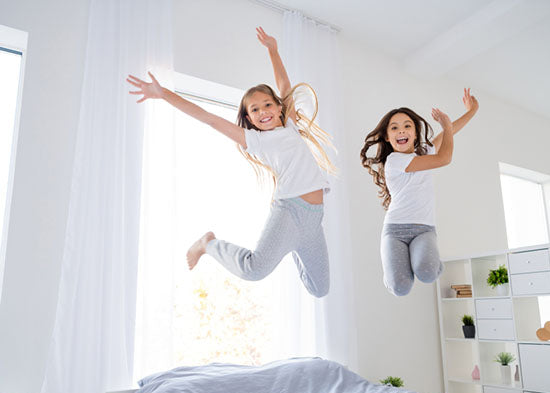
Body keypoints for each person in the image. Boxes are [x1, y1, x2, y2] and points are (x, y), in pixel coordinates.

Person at [126, 27, 335, 298]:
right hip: (290, 211)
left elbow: (285, 86)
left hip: (314, 219)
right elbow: (208, 118)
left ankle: (291, 245)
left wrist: (273, 50)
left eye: (268, 105)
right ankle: (208, 244)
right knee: (253, 270)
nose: (263, 112)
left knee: (320, 290)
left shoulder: (291, 126)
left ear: (280, 107)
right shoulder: (256, 141)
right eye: (255, 110)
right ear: (249, 119)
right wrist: (164, 93)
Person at [360, 89, 479, 296]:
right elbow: (444, 158)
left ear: (415, 133)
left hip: (424, 230)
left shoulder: (423, 151)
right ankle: (392, 276)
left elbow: (451, 132)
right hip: (394, 231)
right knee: (400, 288)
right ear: (388, 137)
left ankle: (432, 264)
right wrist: (447, 127)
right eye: (394, 128)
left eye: (407, 126)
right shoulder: (394, 161)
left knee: (427, 273)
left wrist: (472, 110)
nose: (401, 131)